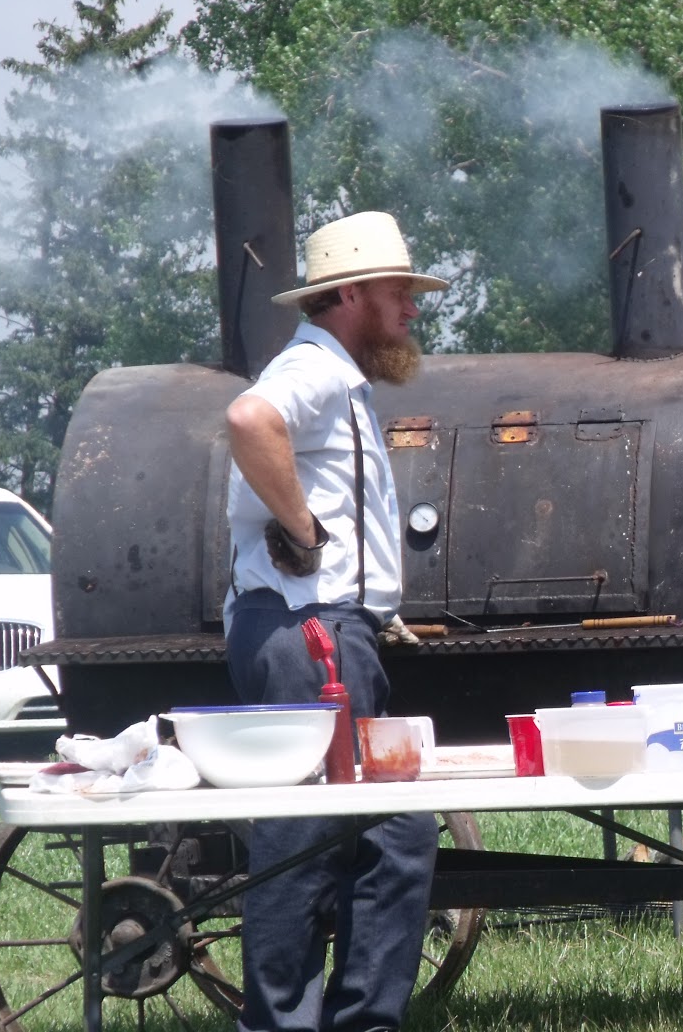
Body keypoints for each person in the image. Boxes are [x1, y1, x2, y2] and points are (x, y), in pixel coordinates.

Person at [224, 210, 447, 1032]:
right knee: (309, 831)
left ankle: (354, 1021)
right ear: (350, 293)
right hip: (311, 631)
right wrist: (303, 530)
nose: (411, 309)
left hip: (324, 632)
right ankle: (282, 1022)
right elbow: (251, 421)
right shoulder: (313, 371)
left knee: (394, 830)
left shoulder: (334, 378)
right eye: (399, 291)